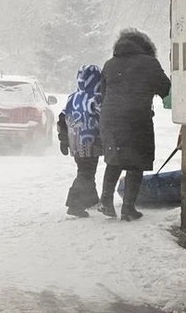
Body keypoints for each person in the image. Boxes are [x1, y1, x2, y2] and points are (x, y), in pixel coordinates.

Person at [97, 29, 171, 221]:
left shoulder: (109, 64)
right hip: (136, 119)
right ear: (146, 47)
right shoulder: (149, 63)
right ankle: (128, 209)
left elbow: (103, 94)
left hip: (109, 119)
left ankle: (105, 201)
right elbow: (165, 89)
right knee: (135, 162)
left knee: (114, 158)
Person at [57, 64, 103, 218]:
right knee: (86, 173)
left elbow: (62, 119)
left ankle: (91, 201)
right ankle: (74, 204)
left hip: (75, 143)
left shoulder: (73, 97)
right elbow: (103, 118)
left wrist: (63, 140)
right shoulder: (96, 99)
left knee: (84, 170)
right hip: (90, 142)